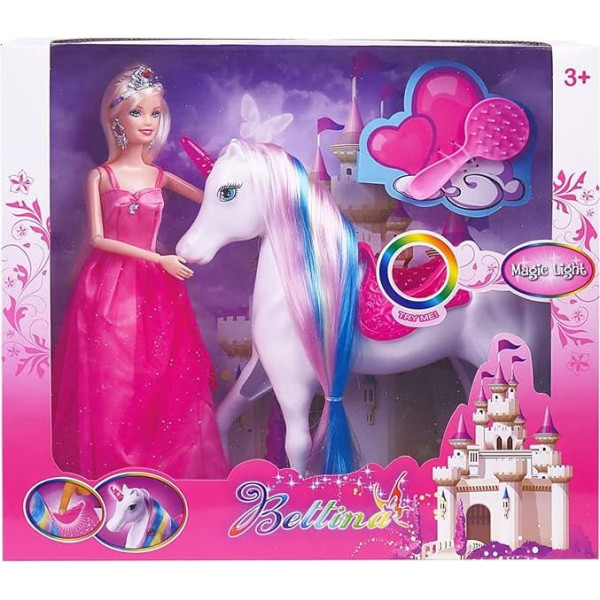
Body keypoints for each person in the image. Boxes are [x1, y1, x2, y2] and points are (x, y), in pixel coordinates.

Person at [52, 65, 229, 480]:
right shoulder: (101, 176)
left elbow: (212, 202)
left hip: (155, 288)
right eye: (137, 112)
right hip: (108, 285)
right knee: (111, 377)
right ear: (116, 118)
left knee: (161, 374)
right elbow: (99, 239)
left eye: (154, 113)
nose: (147, 122)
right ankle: (112, 472)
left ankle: (163, 471)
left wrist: (231, 180)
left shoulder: (159, 176)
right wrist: (158, 259)